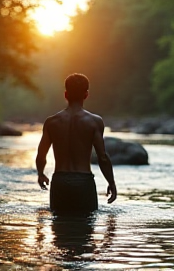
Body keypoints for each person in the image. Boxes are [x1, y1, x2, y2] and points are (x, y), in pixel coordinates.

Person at [35, 73, 117, 215]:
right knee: (86, 229)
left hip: (60, 181)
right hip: (83, 182)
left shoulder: (51, 122)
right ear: (86, 95)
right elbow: (102, 157)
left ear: (65, 95)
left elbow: (41, 155)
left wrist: (41, 174)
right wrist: (111, 183)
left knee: (59, 231)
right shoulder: (94, 122)